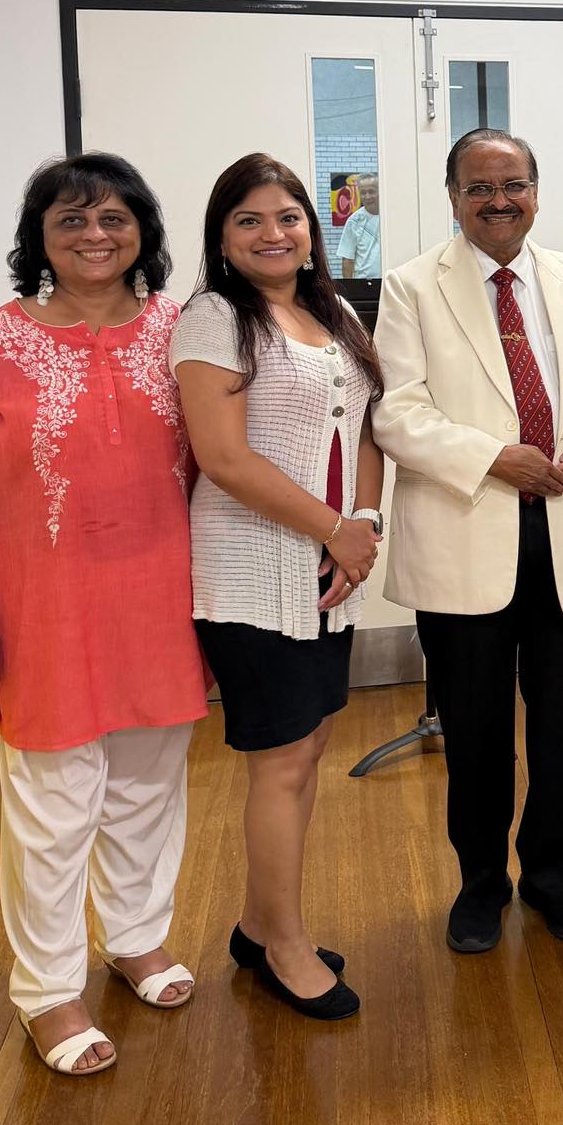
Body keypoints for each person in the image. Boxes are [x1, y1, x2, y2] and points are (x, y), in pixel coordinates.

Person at [0, 154, 208, 1077]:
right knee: (52, 809)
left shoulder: (181, 331)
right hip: (43, 617)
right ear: (39, 239)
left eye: (114, 218)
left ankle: (135, 938)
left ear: (143, 232)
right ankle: (47, 989)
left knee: (148, 790)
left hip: (162, 606)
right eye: (72, 220)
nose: (95, 235)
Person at [373, 129, 563, 953]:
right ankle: (480, 883)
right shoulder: (412, 287)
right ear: (453, 197)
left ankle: (554, 875)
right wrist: (495, 458)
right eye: (479, 187)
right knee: (476, 730)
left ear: (536, 192)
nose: (498, 201)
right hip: (467, 528)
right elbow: (397, 413)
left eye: (513, 184)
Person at [170, 153, 384, 1018]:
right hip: (254, 574)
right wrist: (334, 528)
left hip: (332, 566)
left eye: (288, 216)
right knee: (283, 762)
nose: (273, 233)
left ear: (312, 228)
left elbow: (366, 429)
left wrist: (362, 524)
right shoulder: (215, 318)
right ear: (222, 237)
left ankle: (260, 927)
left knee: (310, 747)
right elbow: (223, 458)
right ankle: (285, 948)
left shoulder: (331, 313)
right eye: (249, 219)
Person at [337, 175, 382, 280]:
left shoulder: (390, 218)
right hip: (364, 283)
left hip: (390, 280)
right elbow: (347, 260)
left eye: (371, 191)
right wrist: (349, 287)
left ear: (380, 192)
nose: (367, 197)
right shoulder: (354, 221)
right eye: (363, 193)